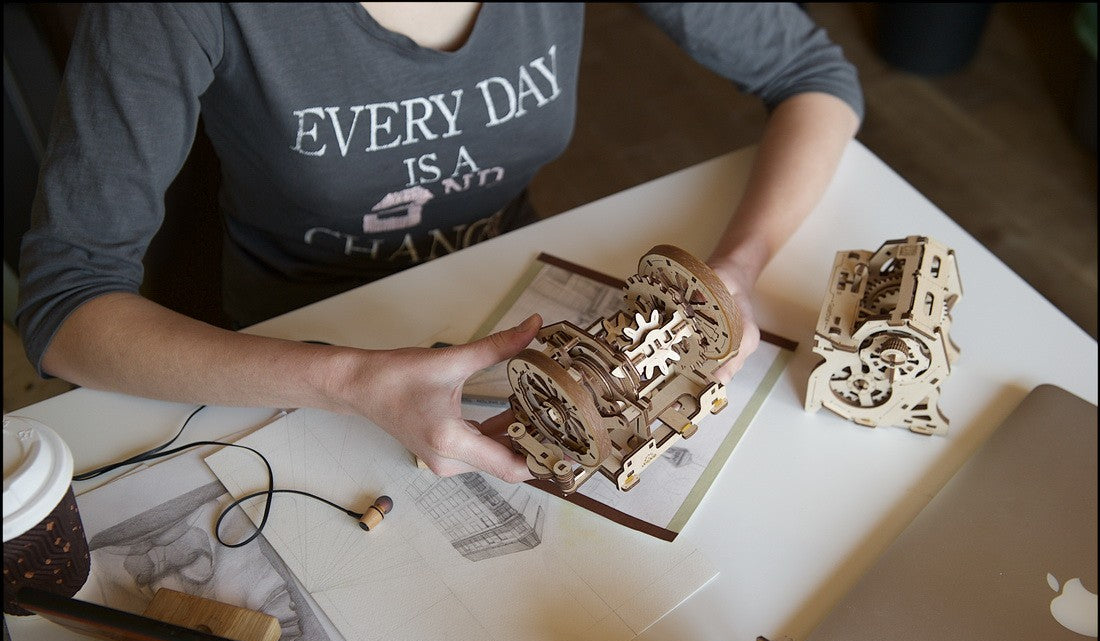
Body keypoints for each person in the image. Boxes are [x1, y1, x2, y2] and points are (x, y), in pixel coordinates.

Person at [16, 3, 863, 485]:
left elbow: (813, 78)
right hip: (298, 350)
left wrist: (734, 272)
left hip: (519, 306)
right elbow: (65, 309)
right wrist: (352, 381)